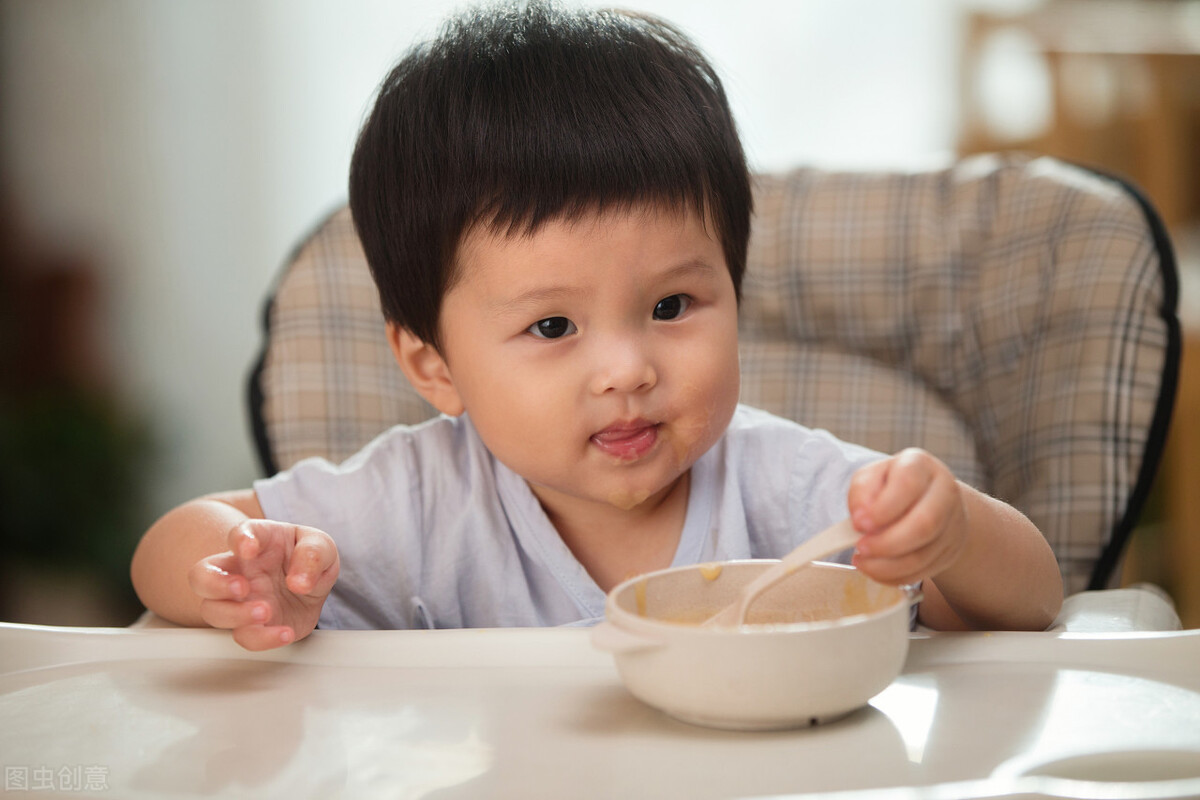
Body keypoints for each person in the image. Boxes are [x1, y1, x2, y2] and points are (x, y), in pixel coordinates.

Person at [130, 1, 1063, 650]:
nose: (626, 368)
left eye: (670, 308)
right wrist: (245, 574)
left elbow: (1029, 607)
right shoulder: (418, 503)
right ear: (433, 363)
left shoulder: (787, 490)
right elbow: (169, 545)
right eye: (551, 327)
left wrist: (955, 538)